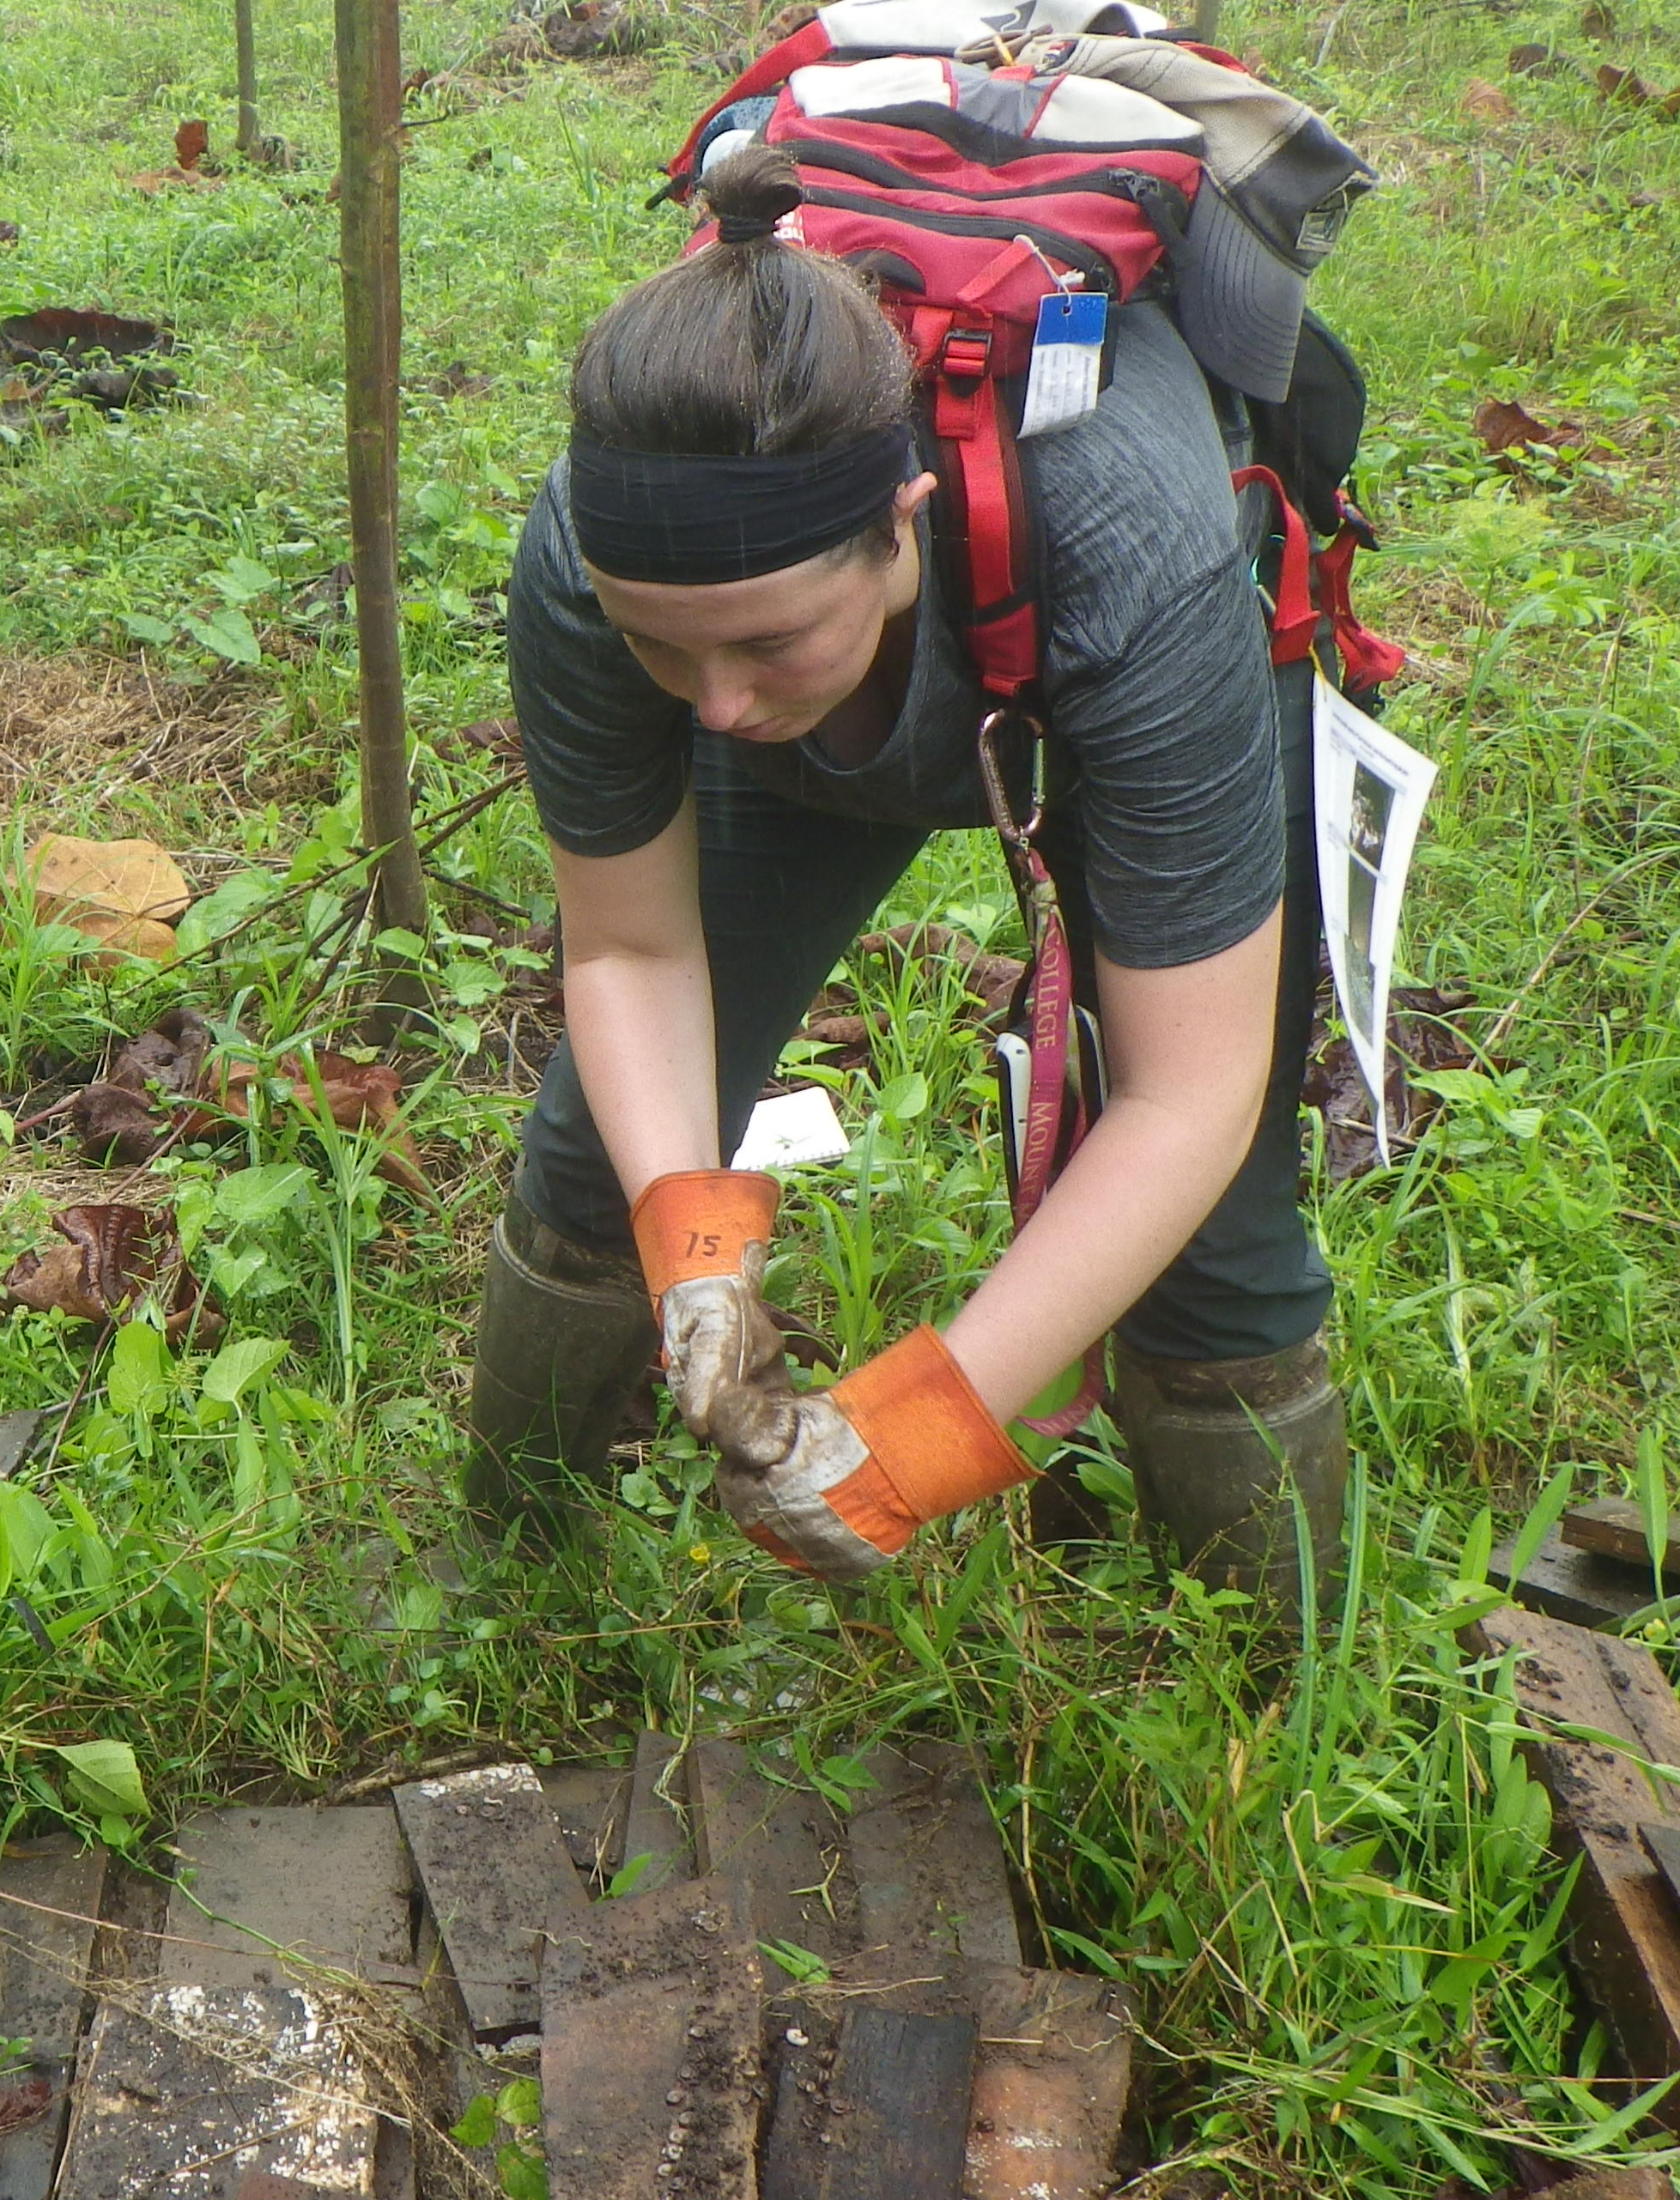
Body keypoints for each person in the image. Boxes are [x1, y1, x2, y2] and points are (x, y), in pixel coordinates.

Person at [464, 147, 1345, 1597]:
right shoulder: (589, 546)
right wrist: (695, 1256)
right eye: (660, 646)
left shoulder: (1135, 537)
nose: (715, 711)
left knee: (1220, 1251)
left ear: (903, 523)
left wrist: (908, 1442)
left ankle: (1278, 1698)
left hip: (1111, 669)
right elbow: (628, 953)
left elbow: (1193, 1096)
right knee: (594, 1164)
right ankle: (503, 1591)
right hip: (898, 682)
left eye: (766, 640)